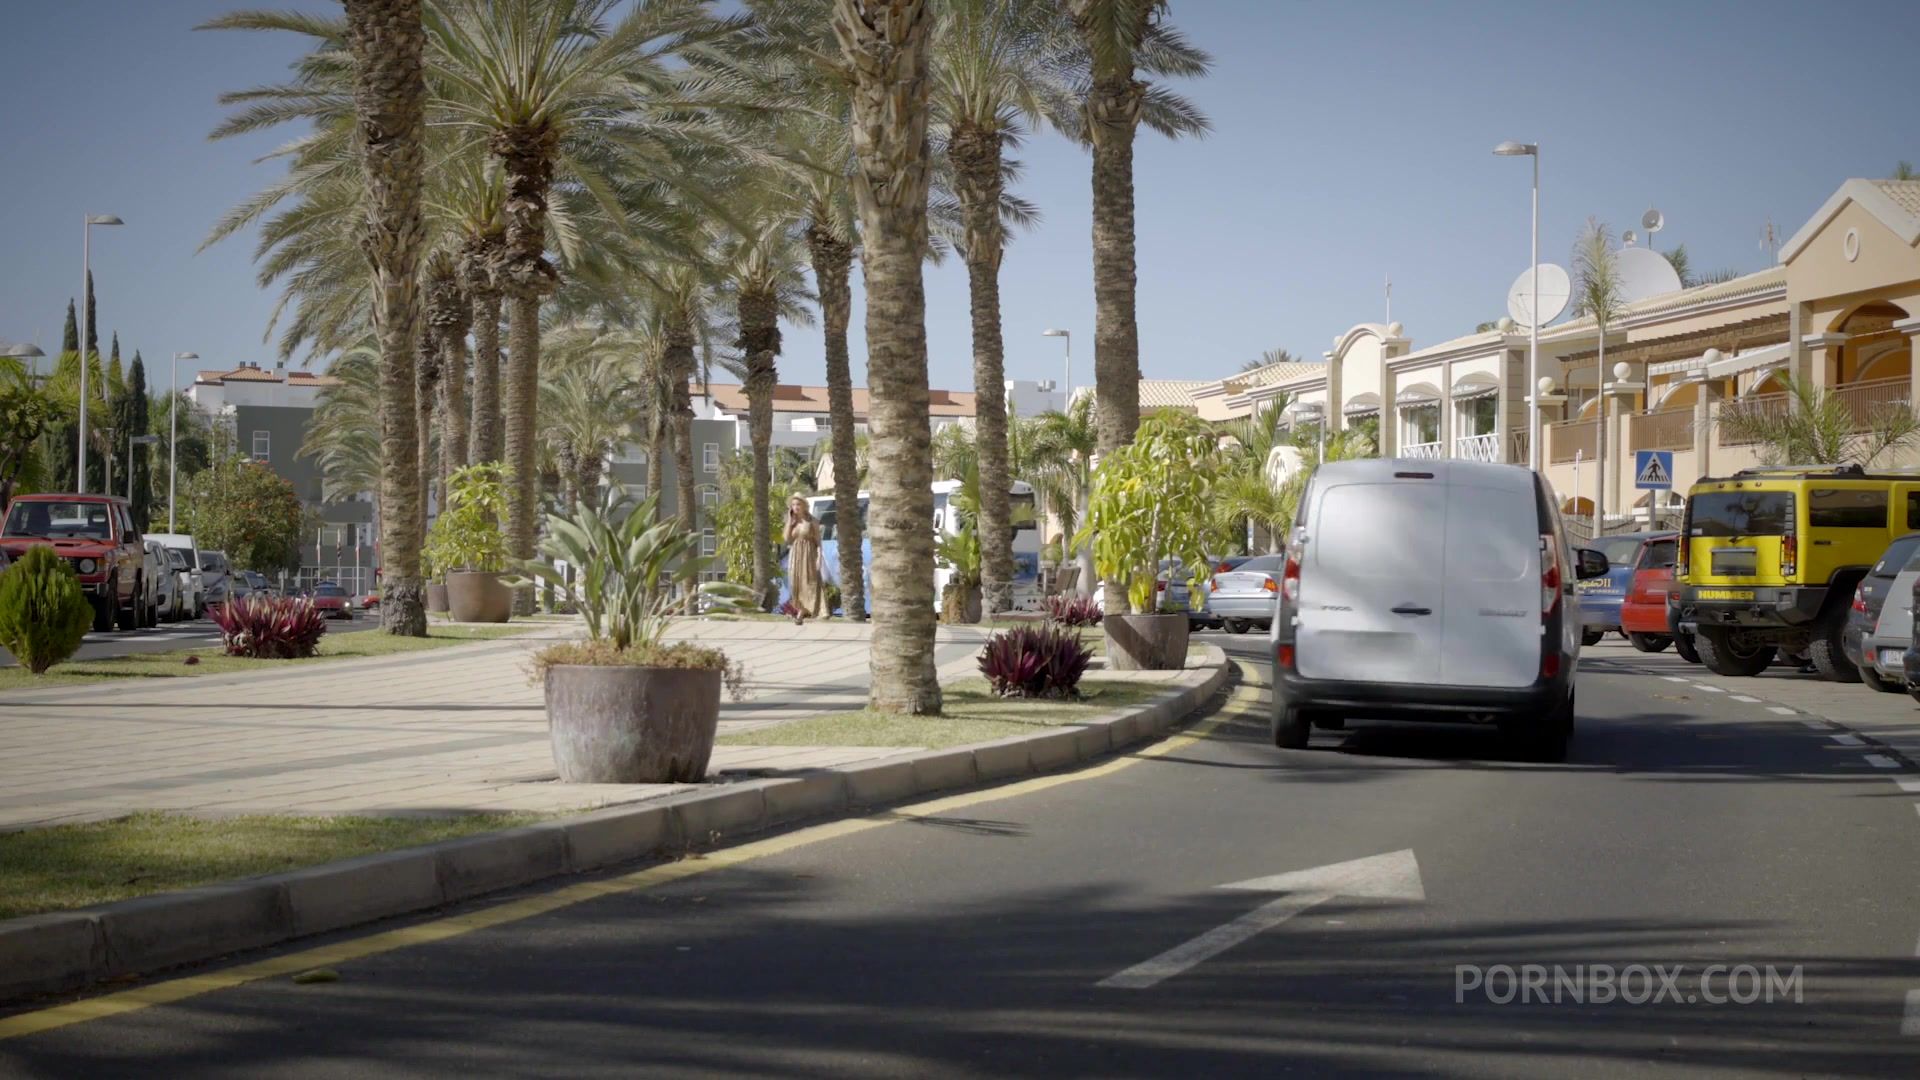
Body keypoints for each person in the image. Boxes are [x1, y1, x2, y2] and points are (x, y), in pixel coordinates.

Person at [785, 496, 827, 624]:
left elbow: (818, 542)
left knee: (809, 582)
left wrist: (819, 557)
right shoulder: (792, 522)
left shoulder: (812, 521)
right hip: (795, 555)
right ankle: (801, 610)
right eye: (793, 505)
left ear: (804, 505)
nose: (795, 507)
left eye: (798, 504)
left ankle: (802, 613)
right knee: (795, 583)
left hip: (809, 554)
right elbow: (787, 539)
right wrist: (789, 522)